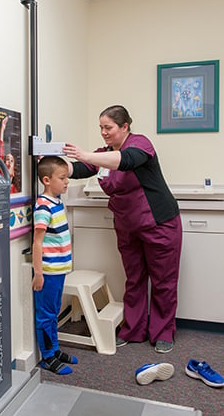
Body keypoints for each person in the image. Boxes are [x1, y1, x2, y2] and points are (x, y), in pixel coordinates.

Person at [63, 105, 182, 354]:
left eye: (109, 127)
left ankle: (162, 332)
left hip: (159, 223)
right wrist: (56, 166)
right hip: (128, 226)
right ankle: (134, 329)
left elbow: (126, 161)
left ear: (125, 126)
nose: (104, 132)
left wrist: (84, 154)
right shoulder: (104, 153)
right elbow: (84, 169)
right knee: (134, 279)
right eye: (101, 128)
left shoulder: (140, 145)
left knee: (163, 281)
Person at [32, 156, 78, 374]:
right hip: (48, 272)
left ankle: (55, 349)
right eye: (62, 178)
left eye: (67, 177)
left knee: (54, 310)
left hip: (59, 270)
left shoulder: (57, 202)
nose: (67, 182)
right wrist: (38, 273)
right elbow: (37, 242)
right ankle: (47, 357)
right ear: (47, 180)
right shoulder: (43, 207)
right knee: (46, 314)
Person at [0, 115, 20, 193]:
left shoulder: (15, 190)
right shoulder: (1, 185)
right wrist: (2, 129)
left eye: (11, 161)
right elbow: (1, 149)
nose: (9, 163)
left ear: (14, 173)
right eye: (7, 160)